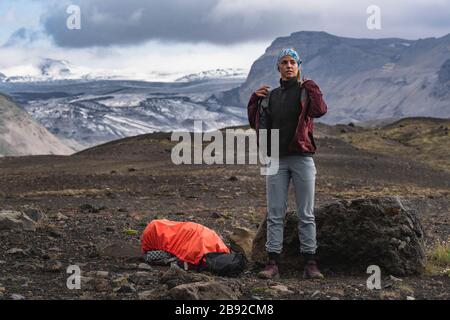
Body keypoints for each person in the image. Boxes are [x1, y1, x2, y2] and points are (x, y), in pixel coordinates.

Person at [247, 48, 328, 279]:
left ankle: (310, 263)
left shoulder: (305, 92)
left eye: (293, 62)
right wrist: (255, 99)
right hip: (275, 160)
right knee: (275, 213)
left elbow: (320, 110)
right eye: (284, 62)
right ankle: (272, 264)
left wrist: (311, 85)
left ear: (299, 66)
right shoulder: (271, 96)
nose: (289, 65)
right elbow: (257, 124)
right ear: (278, 67)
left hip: (302, 158)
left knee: (306, 213)